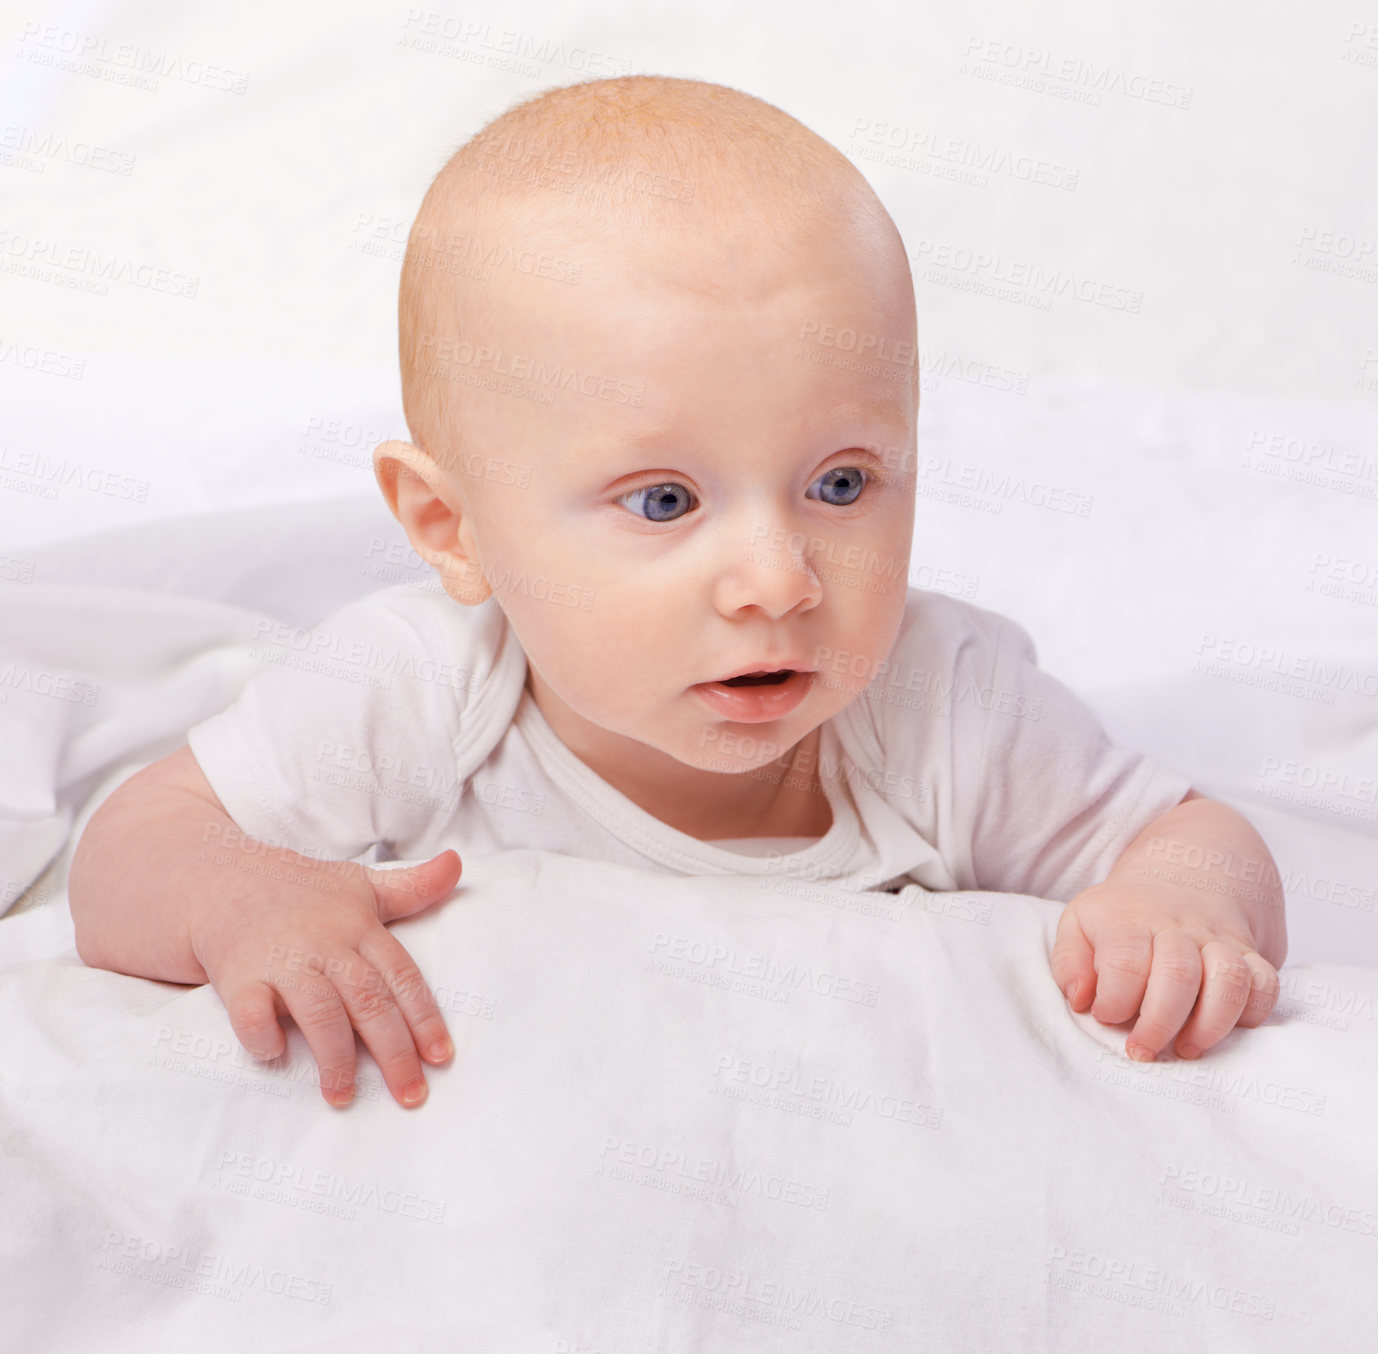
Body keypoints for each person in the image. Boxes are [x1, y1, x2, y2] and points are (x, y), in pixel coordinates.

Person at [68, 74, 1285, 1109]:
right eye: (664, 502)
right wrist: (239, 898)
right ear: (451, 527)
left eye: (843, 481)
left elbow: (1190, 836)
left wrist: (1176, 905)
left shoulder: (939, 702)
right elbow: (132, 848)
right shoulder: (420, 685)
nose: (777, 580)